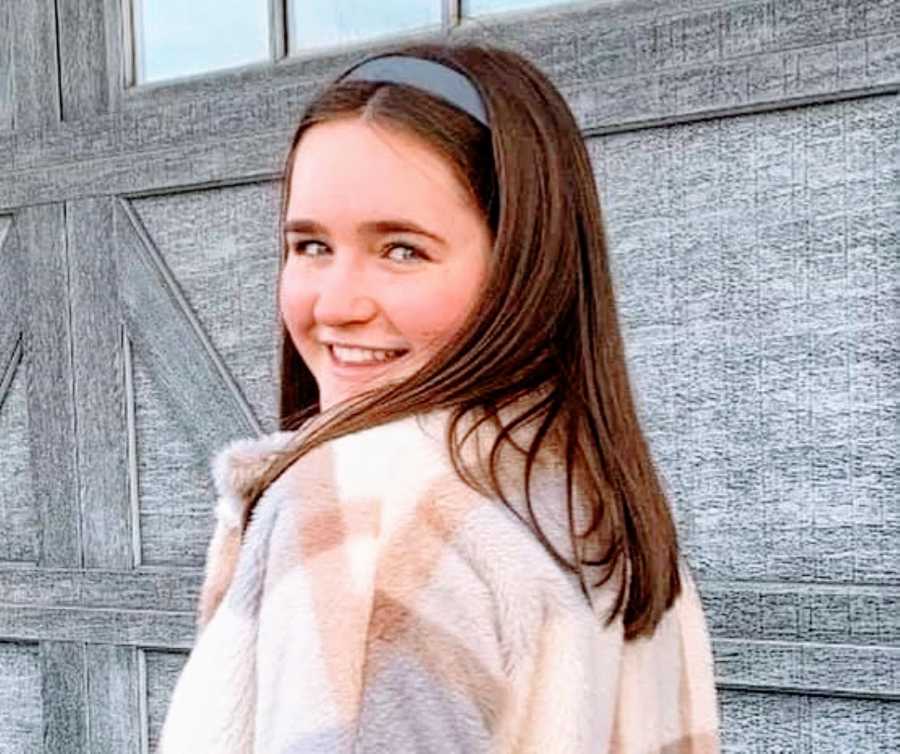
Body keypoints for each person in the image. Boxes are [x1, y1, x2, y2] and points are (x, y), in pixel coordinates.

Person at [158, 43, 719, 753]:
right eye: (310, 246)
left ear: (522, 266)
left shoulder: (367, 508)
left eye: (401, 250)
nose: (335, 304)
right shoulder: (597, 498)